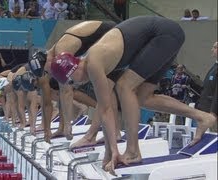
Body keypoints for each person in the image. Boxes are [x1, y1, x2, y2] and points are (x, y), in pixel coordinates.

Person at [50, 16, 216, 174]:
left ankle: (133, 151)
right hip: (165, 35)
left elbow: (106, 110)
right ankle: (202, 117)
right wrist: (110, 152)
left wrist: (113, 150)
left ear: (74, 69)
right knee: (142, 98)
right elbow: (104, 109)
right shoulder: (96, 64)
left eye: (72, 81)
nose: (76, 84)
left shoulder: (94, 64)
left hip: (163, 34)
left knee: (125, 86)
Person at [25, 20, 117, 142]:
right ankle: (68, 128)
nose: (48, 74)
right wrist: (65, 125)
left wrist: (69, 124)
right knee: (107, 87)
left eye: (45, 72)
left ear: (46, 62)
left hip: (114, 36)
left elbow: (67, 91)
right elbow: (63, 92)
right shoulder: (54, 54)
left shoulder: (60, 53)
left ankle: (94, 135)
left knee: (106, 87)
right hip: (108, 37)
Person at [196, 41, 217, 131]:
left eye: (215, 47)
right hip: (205, 111)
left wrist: (213, 112)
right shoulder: (214, 67)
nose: (212, 50)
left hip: (212, 114)